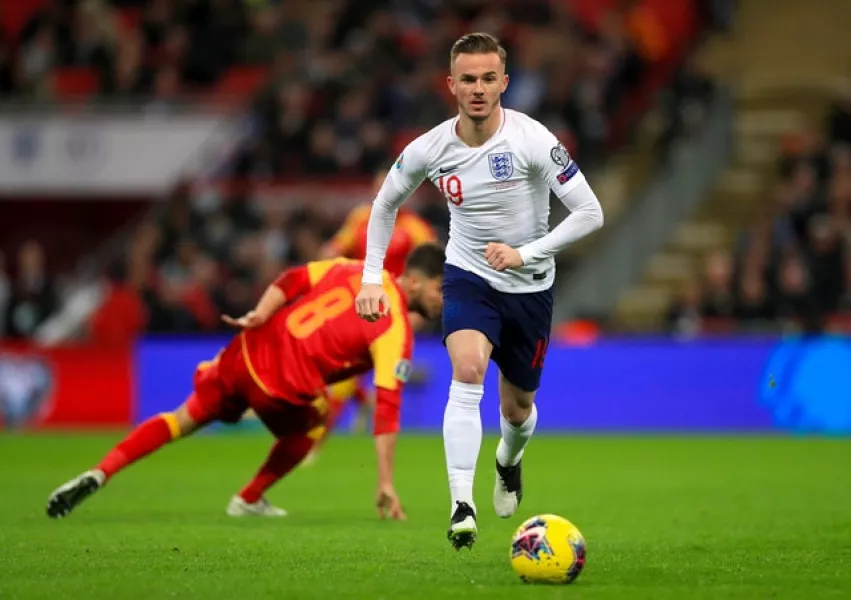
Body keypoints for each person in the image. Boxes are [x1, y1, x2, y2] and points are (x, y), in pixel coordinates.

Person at [354, 32, 604, 550]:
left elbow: (590, 212)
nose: (478, 88)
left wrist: (526, 253)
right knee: (466, 370)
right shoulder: (430, 147)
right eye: (468, 79)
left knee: (517, 410)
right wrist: (371, 278)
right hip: (468, 277)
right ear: (451, 85)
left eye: (489, 78)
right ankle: (461, 506)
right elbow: (384, 204)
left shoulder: (533, 140)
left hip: (531, 286)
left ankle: (508, 462)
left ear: (504, 83)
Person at [46, 243, 447, 521]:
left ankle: (102, 470)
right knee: (315, 422)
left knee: (181, 419)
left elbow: (292, 280)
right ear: (414, 281)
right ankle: (249, 497)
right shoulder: (395, 328)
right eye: (440, 289)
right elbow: (388, 411)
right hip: (286, 384)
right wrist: (386, 483)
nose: (444, 299)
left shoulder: (354, 268)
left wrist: (259, 312)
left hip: (249, 349)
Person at [304, 169, 437, 461]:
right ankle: (363, 404)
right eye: (379, 187)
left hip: (394, 310)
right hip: (357, 304)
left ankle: (313, 445)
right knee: (344, 369)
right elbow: (338, 246)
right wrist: (326, 259)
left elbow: (431, 269)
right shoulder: (360, 218)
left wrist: (414, 315)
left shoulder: (416, 229)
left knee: (347, 374)